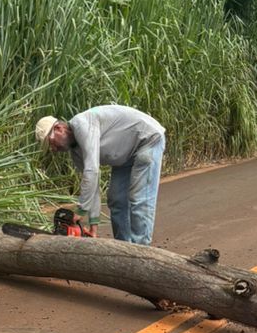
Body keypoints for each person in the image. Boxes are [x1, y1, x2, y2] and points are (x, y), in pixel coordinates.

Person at [35, 105, 166, 245]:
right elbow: (93, 186)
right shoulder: (76, 153)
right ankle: (124, 248)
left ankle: (141, 251)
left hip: (147, 140)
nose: (54, 149)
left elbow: (92, 170)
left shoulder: (82, 124)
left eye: (51, 144)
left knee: (139, 199)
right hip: (125, 156)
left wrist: (81, 210)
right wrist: (93, 227)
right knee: (116, 199)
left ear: (59, 129)